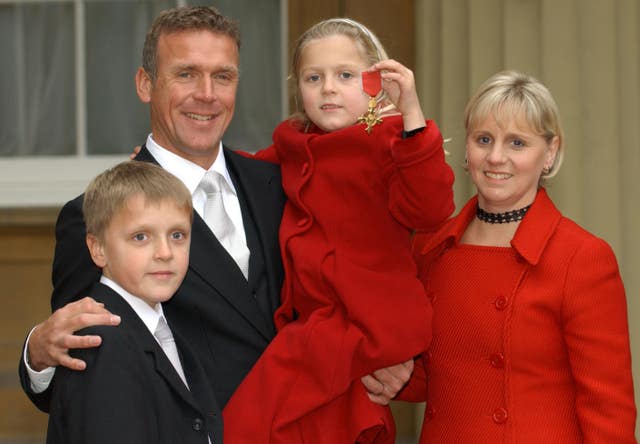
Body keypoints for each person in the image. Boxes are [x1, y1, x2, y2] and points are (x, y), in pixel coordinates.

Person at [19, 5, 409, 428]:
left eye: (222, 76)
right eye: (186, 74)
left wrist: (383, 354)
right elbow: (81, 372)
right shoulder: (95, 215)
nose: (207, 93)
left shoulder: (284, 183)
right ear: (145, 84)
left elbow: (353, 273)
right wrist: (37, 353)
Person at [222, 18, 455, 443]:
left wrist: (412, 115)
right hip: (325, 322)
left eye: (345, 75)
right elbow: (245, 171)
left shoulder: (392, 142)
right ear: (299, 87)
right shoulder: (294, 145)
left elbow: (430, 209)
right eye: (315, 77)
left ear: (375, 81)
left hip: (367, 320)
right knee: (326, 425)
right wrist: (174, 168)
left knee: (251, 418)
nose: (328, 87)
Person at [399, 70, 637, 443]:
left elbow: (608, 412)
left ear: (550, 152)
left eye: (517, 143)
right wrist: (385, 373)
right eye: (484, 139)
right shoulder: (431, 246)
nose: (496, 157)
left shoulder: (582, 257)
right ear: (467, 148)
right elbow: (435, 377)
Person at [47, 161, 220, 444]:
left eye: (177, 235)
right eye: (141, 237)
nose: (165, 252)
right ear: (98, 249)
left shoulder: (162, 327)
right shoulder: (102, 343)